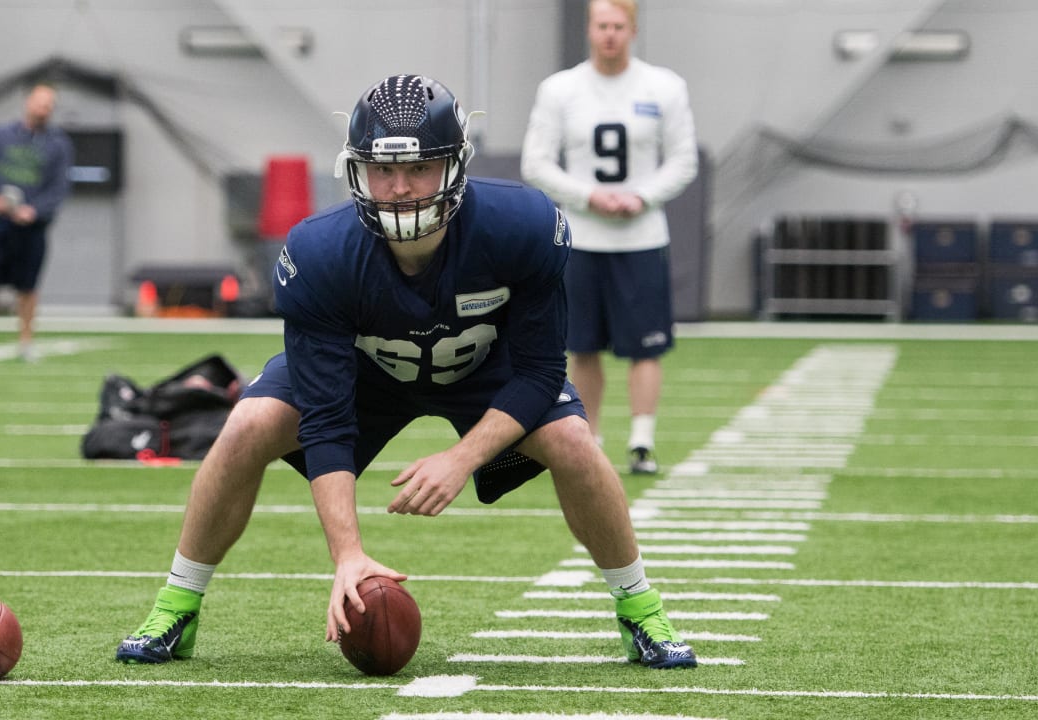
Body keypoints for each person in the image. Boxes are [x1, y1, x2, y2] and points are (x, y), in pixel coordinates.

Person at [115, 74, 696, 671]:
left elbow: (541, 370)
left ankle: (640, 610)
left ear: (455, 166)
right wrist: (348, 554)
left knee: (574, 439)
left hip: (486, 366)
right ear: (356, 171)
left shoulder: (518, 225)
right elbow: (326, 417)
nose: (399, 189)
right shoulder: (321, 254)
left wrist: (461, 458)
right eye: (382, 170)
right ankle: (177, 605)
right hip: (366, 373)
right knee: (247, 425)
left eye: (420, 168)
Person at [521, 0, 698, 475]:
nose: (610, 35)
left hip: (641, 236)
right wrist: (588, 196)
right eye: (602, 25)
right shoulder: (560, 89)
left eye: (619, 26)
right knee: (583, 345)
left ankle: (642, 441)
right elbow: (536, 162)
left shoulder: (664, 86)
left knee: (646, 346)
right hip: (580, 237)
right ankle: (590, 438)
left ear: (633, 30)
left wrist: (641, 196)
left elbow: (684, 159)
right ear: (589, 29)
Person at [0, 81, 72, 363]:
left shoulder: (59, 144)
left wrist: (35, 211)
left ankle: (26, 342)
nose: (43, 108)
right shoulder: (1, 135)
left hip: (32, 227)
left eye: (49, 104)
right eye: (39, 102)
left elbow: (59, 187)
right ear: (27, 102)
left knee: (27, 286)